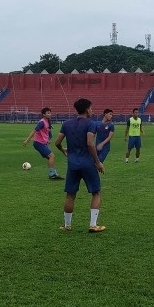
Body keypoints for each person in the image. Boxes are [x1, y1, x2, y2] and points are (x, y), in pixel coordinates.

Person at [53, 98, 106, 233]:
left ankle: (67, 225)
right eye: (91, 108)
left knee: (70, 195)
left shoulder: (66, 124)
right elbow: (89, 143)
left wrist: (63, 150)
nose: (92, 110)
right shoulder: (91, 124)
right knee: (96, 192)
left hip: (72, 164)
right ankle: (93, 225)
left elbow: (57, 142)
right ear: (88, 109)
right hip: (87, 163)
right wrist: (97, 162)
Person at [22, 107, 63, 180]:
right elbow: (34, 131)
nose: (50, 114)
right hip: (38, 143)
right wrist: (27, 140)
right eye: (48, 113)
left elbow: (48, 133)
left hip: (43, 143)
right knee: (52, 156)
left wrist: (48, 139)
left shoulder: (48, 122)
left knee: (50, 158)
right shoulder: (42, 122)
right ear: (44, 114)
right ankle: (52, 174)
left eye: (50, 113)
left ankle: (54, 173)